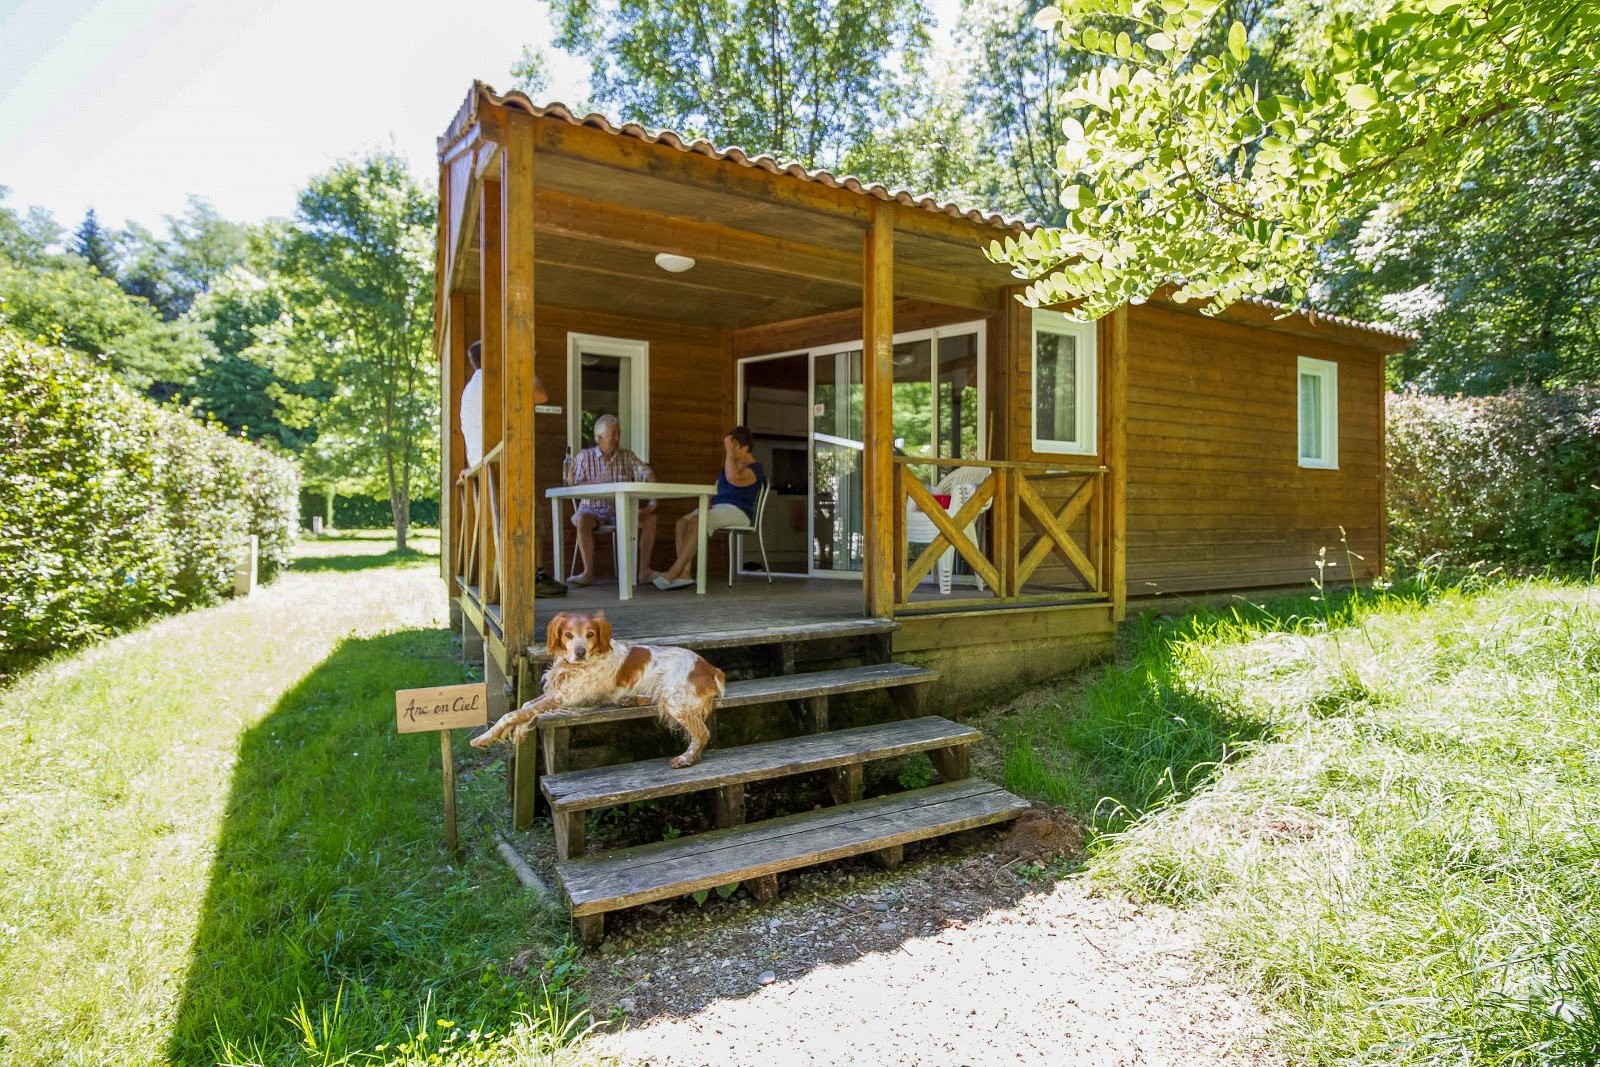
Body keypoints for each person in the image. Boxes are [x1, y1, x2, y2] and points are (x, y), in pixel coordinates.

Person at [458, 341, 565, 596]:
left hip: (483, 470)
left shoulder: (470, 388)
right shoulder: (495, 381)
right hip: (502, 468)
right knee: (531, 519)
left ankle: (524, 577)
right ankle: (533, 578)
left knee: (517, 522)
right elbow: (540, 395)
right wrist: (525, 359)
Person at [655, 426, 763, 591]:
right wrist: (706, 504)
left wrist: (729, 453)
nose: (730, 450)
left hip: (738, 511)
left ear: (745, 447)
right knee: (682, 522)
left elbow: (734, 479)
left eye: (733, 446)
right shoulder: (728, 466)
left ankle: (673, 571)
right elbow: (715, 490)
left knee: (697, 521)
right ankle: (685, 574)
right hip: (718, 508)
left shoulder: (756, 468)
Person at [567, 413, 659, 587]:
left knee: (651, 519)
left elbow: (649, 474)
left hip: (621, 512)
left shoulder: (627, 456)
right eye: (613, 434)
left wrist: (651, 504)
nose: (617, 439)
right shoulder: (584, 457)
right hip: (592, 511)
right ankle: (588, 573)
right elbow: (574, 487)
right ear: (599, 438)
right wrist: (596, 482)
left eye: (619, 434)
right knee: (582, 520)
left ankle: (644, 572)